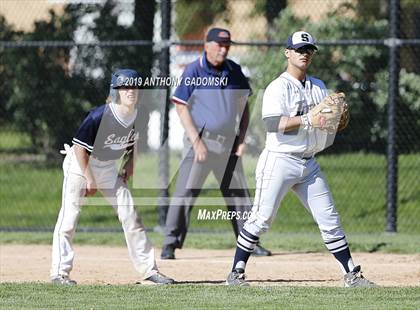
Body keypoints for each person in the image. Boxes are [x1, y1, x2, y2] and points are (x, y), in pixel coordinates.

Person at [226, 31, 376, 287]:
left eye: (309, 50)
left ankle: (351, 273)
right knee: (261, 219)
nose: (304, 54)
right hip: (280, 161)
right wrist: (309, 119)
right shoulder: (278, 87)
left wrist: (334, 120)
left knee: (329, 218)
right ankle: (236, 272)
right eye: (299, 49)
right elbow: (273, 124)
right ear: (287, 53)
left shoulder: (318, 86)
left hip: (309, 164)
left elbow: (326, 120)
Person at [50, 69, 174, 285]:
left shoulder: (139, 115)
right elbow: (80, 149)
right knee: (70, 216)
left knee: (130, 213)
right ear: (115, 91)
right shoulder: (100, 115)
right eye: (125, 87)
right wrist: (89, 178)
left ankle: (149, 270)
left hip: (107, 167)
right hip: (80, 165)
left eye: (134, 86)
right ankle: (59, 273)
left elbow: (136, 144)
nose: (131, 91)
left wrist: (129, 167)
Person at [161, 28, 271, 259]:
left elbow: (244, 107)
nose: (224, 48)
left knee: (240, 196)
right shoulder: (194, 70)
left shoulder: (234, 71)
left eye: (227, 44)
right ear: (206, 44)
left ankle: (250, 243)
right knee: (184, 193)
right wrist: (196, 142)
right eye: (219, 44)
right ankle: (170, 243)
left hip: (228, 144)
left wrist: (242, 139)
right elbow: (181, 107)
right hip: (199, 142)